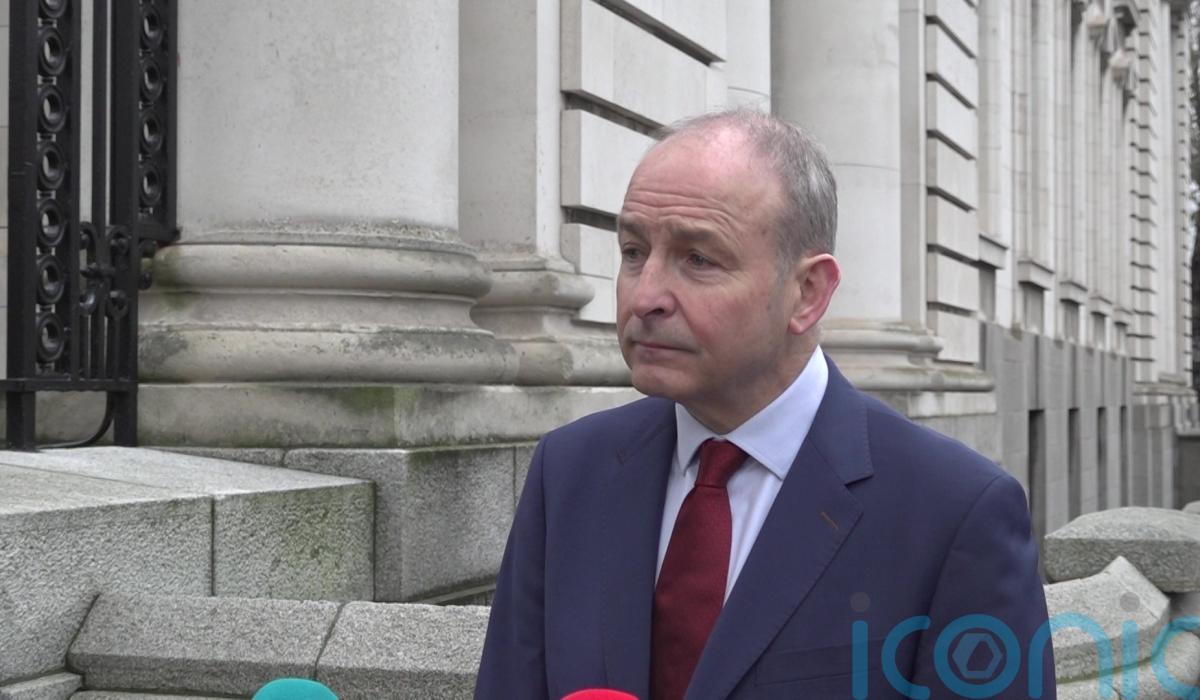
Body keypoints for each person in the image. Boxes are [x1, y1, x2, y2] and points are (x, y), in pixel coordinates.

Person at [475, 109, 1054, 699]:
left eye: (698, 259)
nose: (645, 296)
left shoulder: (955, 512)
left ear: (807, 293)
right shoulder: (569, 471)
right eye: (633, 251)